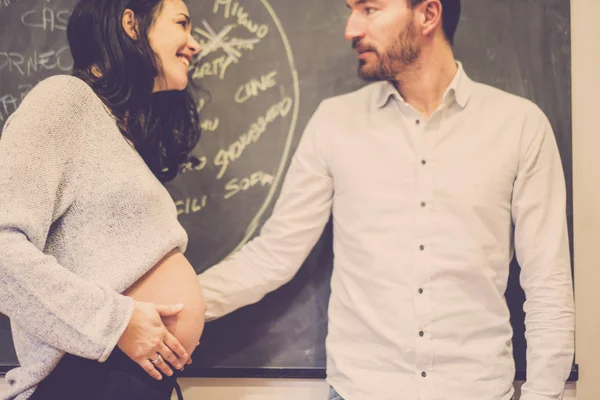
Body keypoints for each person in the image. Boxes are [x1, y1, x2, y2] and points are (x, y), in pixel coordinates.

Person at [197, 0, 575, 399]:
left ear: (428, 15)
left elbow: (547, 283)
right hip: (360, 390)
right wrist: (165, 309)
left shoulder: (519, 126)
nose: (351, 29)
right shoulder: (335, 122)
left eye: (370, 9)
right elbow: (274, 255)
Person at [0, 0, 206, 399]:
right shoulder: (64, 99)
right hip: (86, 379)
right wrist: (116, 323)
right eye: (182, 24)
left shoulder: (120, 134)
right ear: (131, 23)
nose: (194, 44)